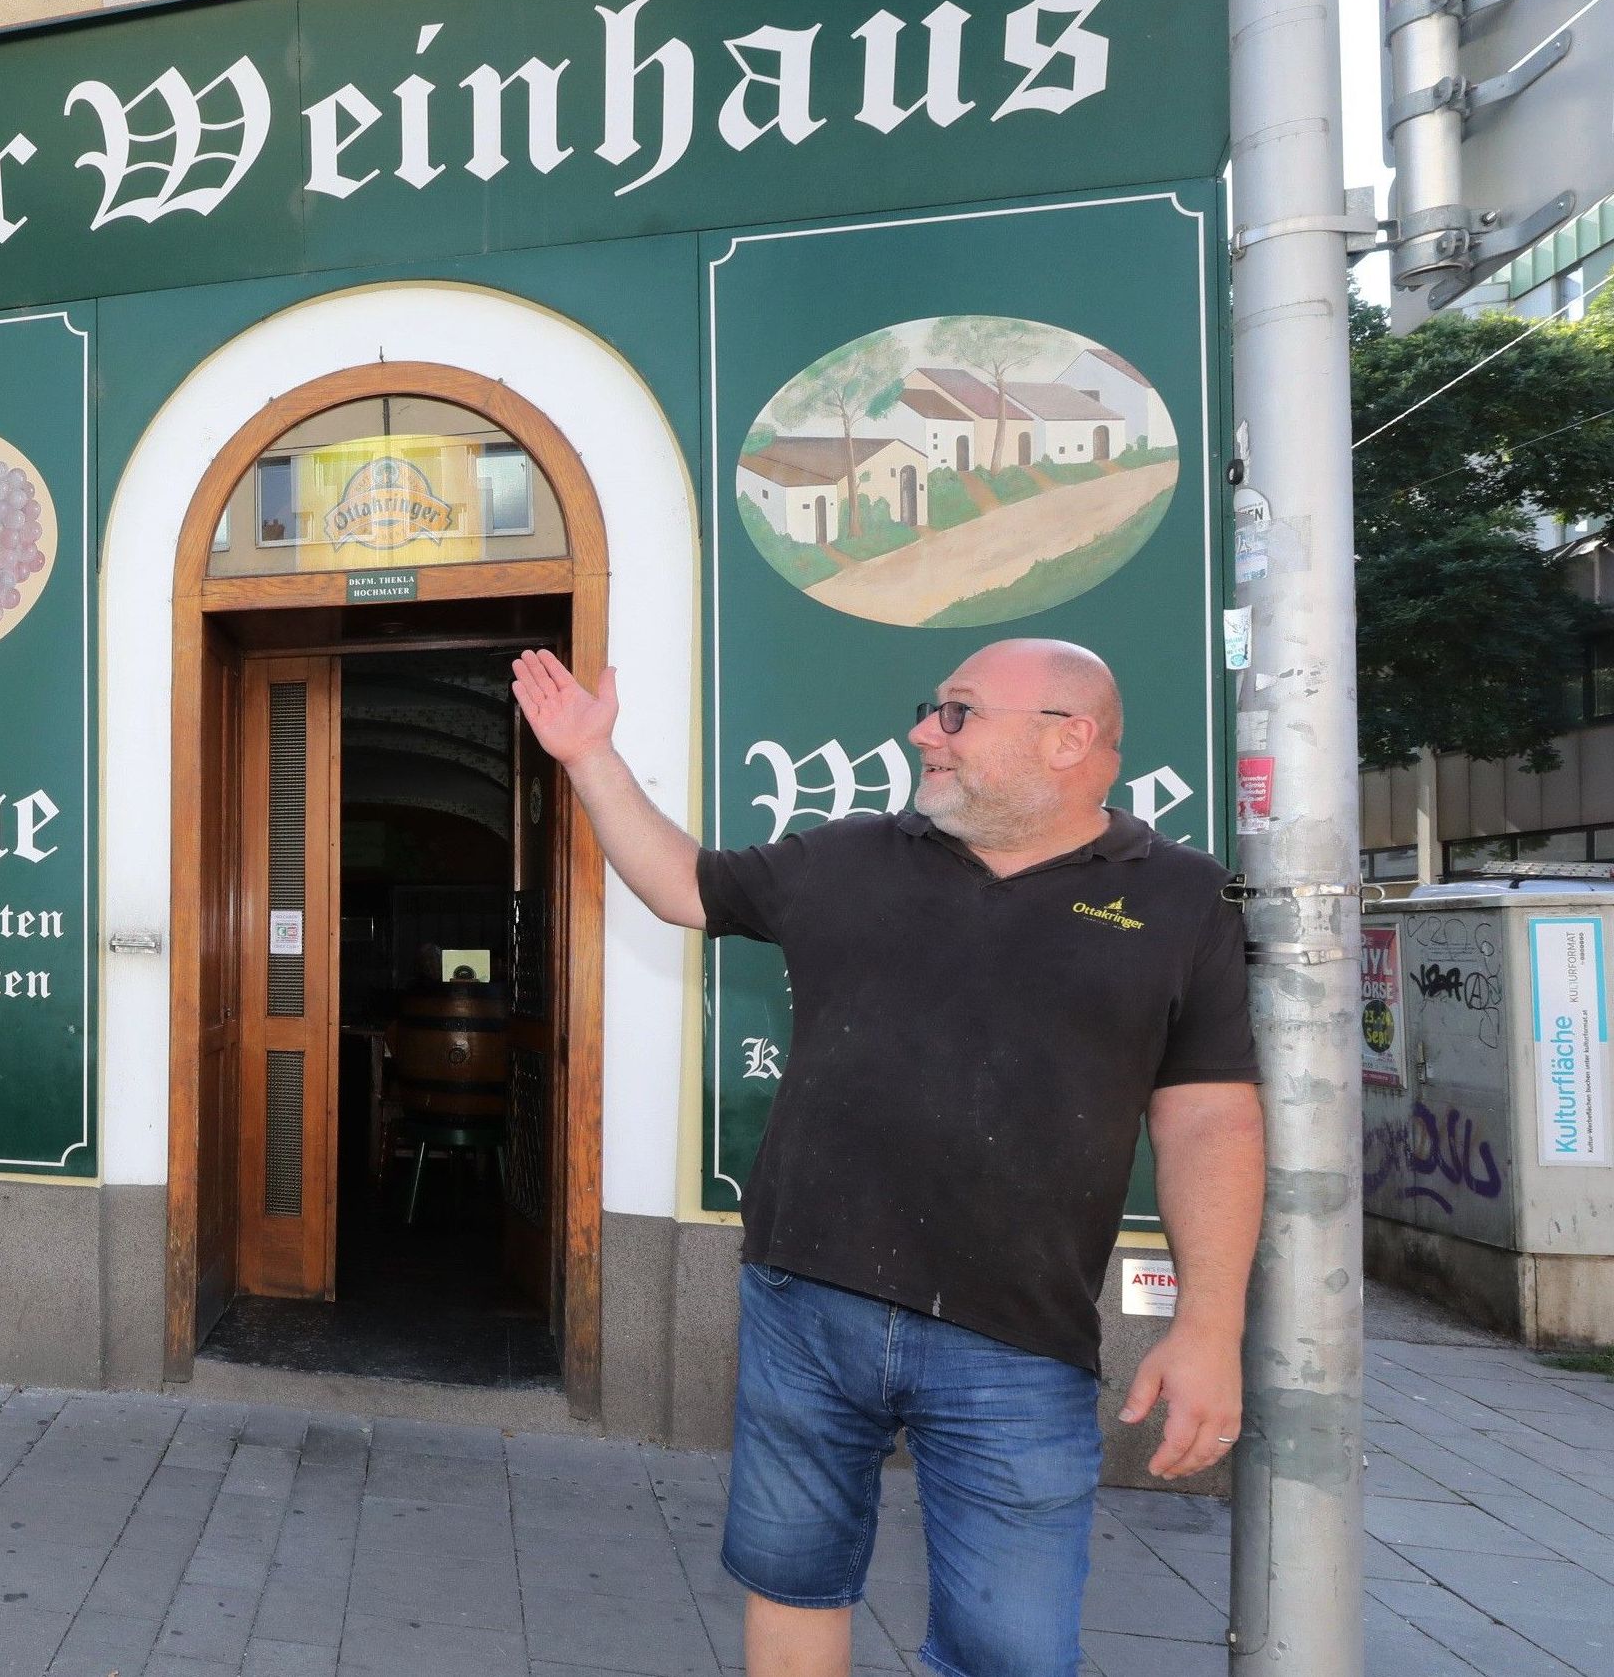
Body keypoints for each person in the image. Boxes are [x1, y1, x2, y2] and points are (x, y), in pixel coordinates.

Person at [511, 638, 1263, 1677]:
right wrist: (590, 756)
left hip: (1019, 1340)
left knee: (1013, 1650)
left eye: (957, 714)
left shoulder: (1180, 899)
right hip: (805, 1305)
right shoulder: (855, 854)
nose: (923, 733)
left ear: (1069, 738)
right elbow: (685, 885)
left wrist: (1210, 1324)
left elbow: (1211, 1118)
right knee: (792, 1578)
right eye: (931, 711)